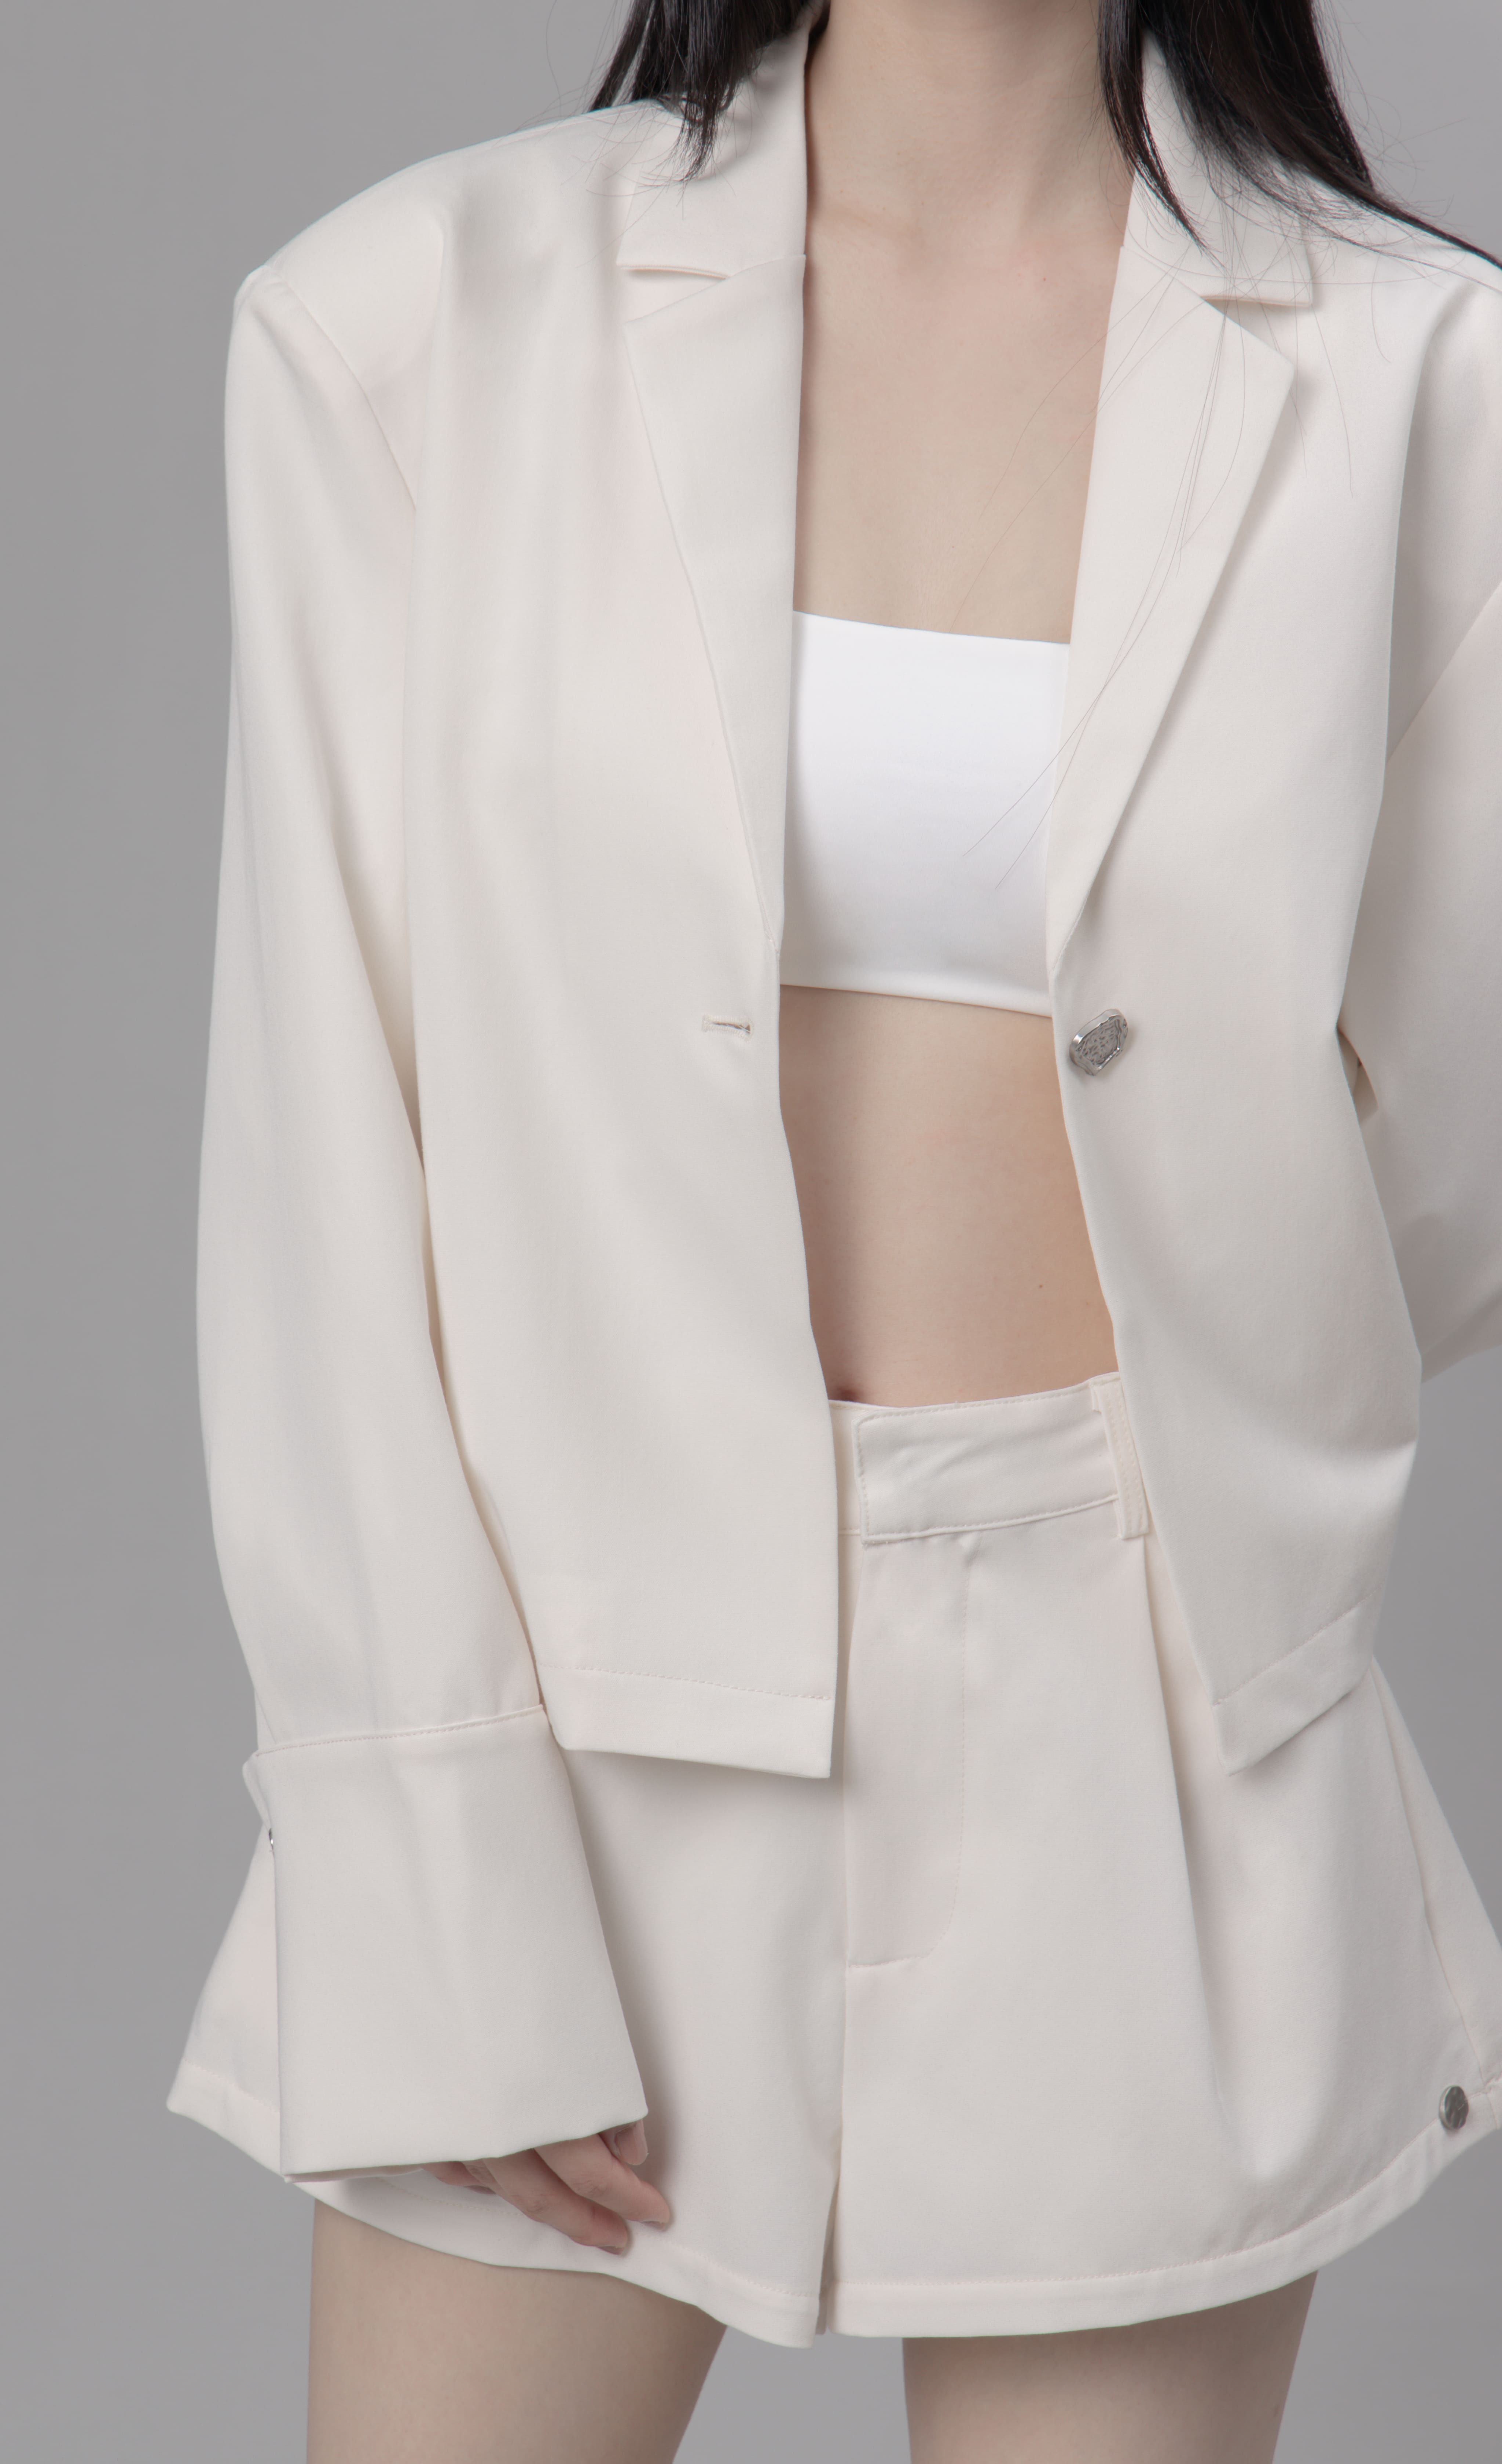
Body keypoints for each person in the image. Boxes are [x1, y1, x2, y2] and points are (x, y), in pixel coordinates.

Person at [167, 1, 1502, 2455]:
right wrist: (423, 1838)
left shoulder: (1433, 388)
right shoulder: (411, 323)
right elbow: (322, 1157)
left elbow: (1445, 1153)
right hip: (574, 1723)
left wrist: (1192, 1447)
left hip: (1150, 1748)